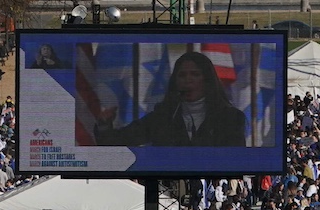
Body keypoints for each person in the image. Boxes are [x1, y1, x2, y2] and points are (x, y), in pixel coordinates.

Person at [101, 50, 248, 147]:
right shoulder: (164, 116)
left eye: (195, 74)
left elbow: (236, 160)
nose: (188, 80)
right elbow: (120, 141)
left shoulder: (230, 117)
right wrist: (104, 125)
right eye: (182, 75)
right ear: (175, 80)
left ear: (207, 80)